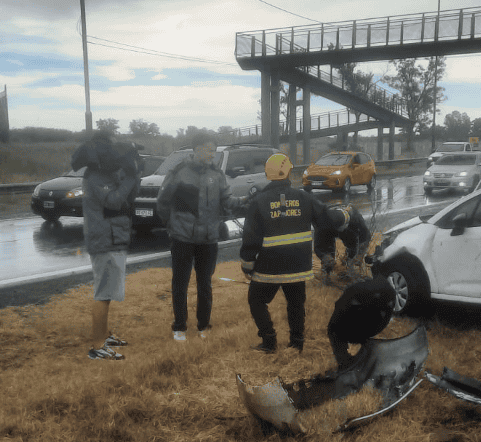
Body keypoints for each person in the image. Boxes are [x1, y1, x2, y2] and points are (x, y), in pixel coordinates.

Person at [240, 153, 339, 353]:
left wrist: (247, 263)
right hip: (298, 265)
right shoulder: (305, 198)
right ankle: (297, 343)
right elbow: (327, 222)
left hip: (270, 266)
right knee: (296, 304)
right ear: (287, 173)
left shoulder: (258, 202)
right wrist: (343, 214)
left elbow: (251, 237)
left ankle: (269, 341)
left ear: (268, 174)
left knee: (256, 300)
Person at [156, 133, 247, 342]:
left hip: (208, 239)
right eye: (207, 149)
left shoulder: (216, 174)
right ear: (195, 149)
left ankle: (204, 325)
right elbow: (162, 201)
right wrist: (171, 225)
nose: (211, 154)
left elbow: (227, 200)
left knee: (205, 283)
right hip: (182, 238)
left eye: (213, 150)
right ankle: (179, 326)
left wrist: (245, 200)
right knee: (180, 283)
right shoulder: (179, 172)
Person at [74, 130, 142, 360]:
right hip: (105, 240)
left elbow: (128, 198)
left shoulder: (108, 174)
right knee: (103, 293)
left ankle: (104, 334)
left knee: (109, 291)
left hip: (115, 237)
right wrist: (130, 177)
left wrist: (135, 175)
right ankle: (97, 346)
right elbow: (113, 201)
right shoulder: (95, 177)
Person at [326, 276, 396, 370]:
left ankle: (345, 361)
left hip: (358, 324)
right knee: (336, 330)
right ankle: (358, 357)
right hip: (369, 325)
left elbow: (338, 307)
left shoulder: (356, 289)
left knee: (333, 330)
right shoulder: (389, 292)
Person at [314, 204, 371, 282]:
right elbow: (319, 246)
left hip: (348, 227)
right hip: (328, 229)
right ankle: (326, 271)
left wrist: (359, 255)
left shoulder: (356, 218)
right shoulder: (322, 222)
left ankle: (348, 263)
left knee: (353, 244)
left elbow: (366, 236)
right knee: (327, 252)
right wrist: (327, 258)